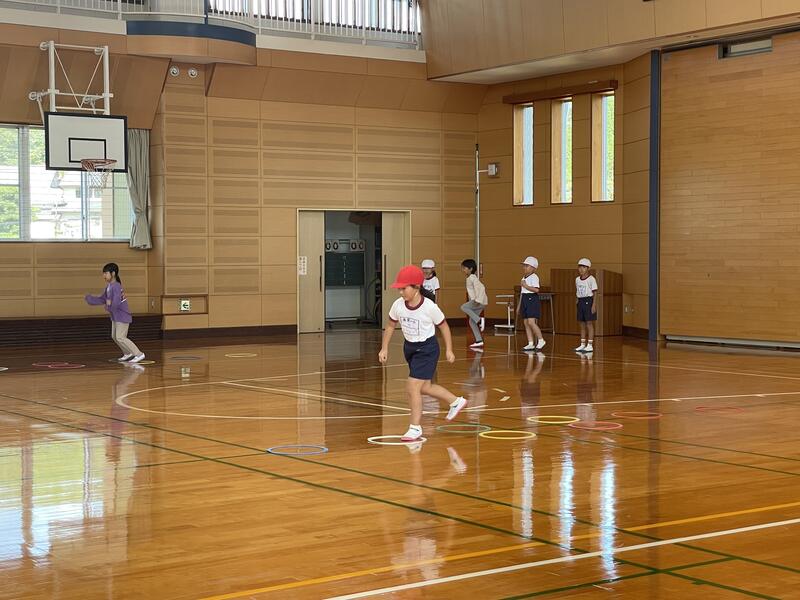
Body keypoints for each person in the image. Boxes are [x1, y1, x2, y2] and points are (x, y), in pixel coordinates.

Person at [378, 265, 468, 442]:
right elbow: (390, 325)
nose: (401, 292)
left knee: (412, 386)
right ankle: (456, 401)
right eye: (399, 289)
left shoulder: (429, 307)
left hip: (427, 349)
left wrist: (449, 349)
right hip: (410, 348)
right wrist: (384, 347)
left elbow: (444, 327)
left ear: (417, 287)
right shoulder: (398, 305)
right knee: (425, 387)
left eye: (404, 288)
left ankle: (415, 427)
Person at [85, 262, 145, 363]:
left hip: (122, 316)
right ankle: (127, 353)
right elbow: (103, 299)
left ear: (113, 273)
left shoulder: (116, 286)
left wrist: (108, 307)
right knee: (115, 336)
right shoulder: (109, 287)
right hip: (116, 316)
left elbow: (116, 302)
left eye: (106, 273)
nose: (104, 276)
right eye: (103, 273)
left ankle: (139, 354)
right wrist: (91, 299)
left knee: (120, 337)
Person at [460, 259, 488, 350]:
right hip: (479, 301)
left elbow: (481, 288)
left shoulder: (472, 278)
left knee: (463, 307)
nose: (463, 270)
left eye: (464, 268)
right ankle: (479, 340)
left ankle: (479, 320)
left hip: (478, 301)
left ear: (471, 269)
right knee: (471, 322)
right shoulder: (470, 278)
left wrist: (477, 300)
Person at [519, 256, 546, 351]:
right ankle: (530, 343)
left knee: (531, 322)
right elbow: (522, 292)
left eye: (527, 266)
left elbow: (536, 290)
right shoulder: (524, 277)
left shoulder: (534, 277)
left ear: (533, 268)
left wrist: (526, 286)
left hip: (531, 299)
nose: (524, 267)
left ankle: (541, 340)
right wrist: (519, 305)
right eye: (524, 265)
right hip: (525, 299)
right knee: (526, 322)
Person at [575, 258, 599, 353]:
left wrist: (594, 305)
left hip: (588, 301)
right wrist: (577, 301)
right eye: (580, 267)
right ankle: (582, 344)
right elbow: (577, 291)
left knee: (589, 323)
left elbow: (595, 292)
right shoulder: (577, 279)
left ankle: (590, 345)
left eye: (584, 267)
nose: (581, 269)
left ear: (588, 268)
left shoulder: (591, 279)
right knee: (581, 323)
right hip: (580, 301)